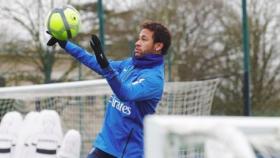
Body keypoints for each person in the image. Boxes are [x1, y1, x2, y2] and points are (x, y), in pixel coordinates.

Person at [47, 20, 171, 158]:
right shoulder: (130, 64)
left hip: (125, 153)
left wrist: (106, 66)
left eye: (144, 39)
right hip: (104, 145)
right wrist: (65, 44)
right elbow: (97, 63)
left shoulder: (154, 79)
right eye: (138, 38)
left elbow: (125, 93)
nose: (137, 42)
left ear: (158, 46)